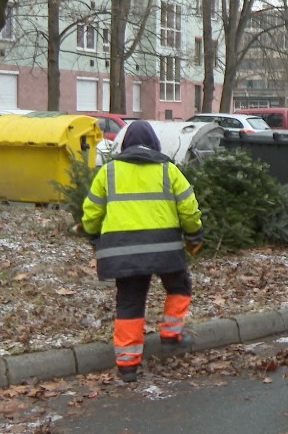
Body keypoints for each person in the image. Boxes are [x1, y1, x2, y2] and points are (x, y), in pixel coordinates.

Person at [82, 121, 203, 383]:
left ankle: (127, 365)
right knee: (179, 286)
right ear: (155, 144)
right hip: (166, 249)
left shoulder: (109, 172)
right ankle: (171, 336)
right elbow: (189, 207)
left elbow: (91, 212)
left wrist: (93, 235)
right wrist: (194, 234)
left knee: (129, 301)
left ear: (124, 145)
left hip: (124, 251)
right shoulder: (168, 170)